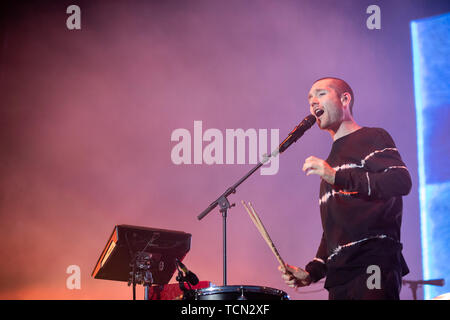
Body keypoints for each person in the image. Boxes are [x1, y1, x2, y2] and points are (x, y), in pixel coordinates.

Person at [279, 77, 411, 300]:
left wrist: (336, 176)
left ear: (344, 99)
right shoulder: (331, 161)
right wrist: (312, 272)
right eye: (309, 98)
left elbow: (400, 181)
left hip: (373, 263)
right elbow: (335, 229)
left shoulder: (372, 137)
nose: (313, 102)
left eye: (321, 94)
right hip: (340, 277)